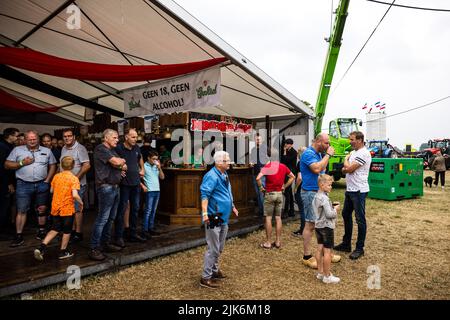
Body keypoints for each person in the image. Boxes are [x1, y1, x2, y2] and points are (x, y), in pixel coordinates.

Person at [5, 130, 57, 247]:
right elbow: (7, 164)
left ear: (38, 139)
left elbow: (53, 165)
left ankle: (41, 231)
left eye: (34, 139)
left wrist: (48, 180)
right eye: (30, 139)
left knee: (42, 209)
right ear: (26, 140)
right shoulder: (17, 150)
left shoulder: (47, 151)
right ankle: (19, 235)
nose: (32, 141)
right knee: (22, 210)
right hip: (23, 184)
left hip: (42, 184)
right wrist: (22, 163)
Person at [199, 151, 239, 289]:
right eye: (227, 160)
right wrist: (205, 213)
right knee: (213, 248)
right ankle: (205, 277)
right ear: (219, 163)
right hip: (213, 216)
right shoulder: (211, 176)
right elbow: (204, 195)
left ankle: (214, 270)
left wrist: (232, 206)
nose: (229, 162)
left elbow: (228, 192)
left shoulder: (224, 174)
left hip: (224, 216)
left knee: (219, 247)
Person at [300, 133, 340, 268]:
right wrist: (328, 155)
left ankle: (325, 251)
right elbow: (317, 168)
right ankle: (307, 256)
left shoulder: (319, 154)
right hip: (310, 194)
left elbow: (322, 171)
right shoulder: (308, 154)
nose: (328, 145)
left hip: (320, 194)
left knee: (323, 224)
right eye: (326, 143)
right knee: (310, 225)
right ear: (318, 141)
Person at [33, 156, 83, 261]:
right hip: (67, 209)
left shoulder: (56, 176)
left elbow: (51, 190)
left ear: (61, 165)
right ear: (73, 166)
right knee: (67, 230)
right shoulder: (74, 178)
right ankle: (63, 252)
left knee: (55, 228)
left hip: (56, 208)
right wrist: (81, 202)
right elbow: (74, 195)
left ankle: (41, 247)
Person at [89, 129, 126, 261]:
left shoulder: (112, 151)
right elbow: (118, 163)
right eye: (115, 138)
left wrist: (119, 163)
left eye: (117, 138)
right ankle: (94, 248)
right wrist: (118, 163)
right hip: (106, 187)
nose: (117, 140)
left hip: (115, 187)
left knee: (111, 218)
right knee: (102, 219)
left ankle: (105, 243)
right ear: (106, 138)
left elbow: (123, 164)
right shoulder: (101, 149)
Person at [334, 131, 372, 260]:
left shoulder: (364, 153)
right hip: (350, 189)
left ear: (360, 140)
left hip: (359, 190)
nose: (350, 141)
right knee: (345, 214)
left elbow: (349, 169)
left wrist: (345, 161)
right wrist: (346, 168)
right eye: (350, 139)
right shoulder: (354, 153)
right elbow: (345, 170)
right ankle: (346, 244)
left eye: (352, 139)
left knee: (360, 219)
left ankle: (359, 248)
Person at [256, 149, 295, 249]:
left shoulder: (267, 167)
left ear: (269, 156)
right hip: (279, 194)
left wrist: (261, 188)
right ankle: (277, 241)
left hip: (269, 194)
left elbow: (257, 178)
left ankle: (268, 242)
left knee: (268, 218)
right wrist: (284, 186)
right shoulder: (283, 166)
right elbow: (292, 177)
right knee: (278, 218)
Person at [115, 128, 146, 245]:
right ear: (126, 137)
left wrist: (142, 168)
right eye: (133, 137)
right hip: (124, 184)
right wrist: (119, 169)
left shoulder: (137, 148)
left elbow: (140, 158)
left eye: (136, 137)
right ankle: (119, 236)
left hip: (136, 183)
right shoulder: (118, 148)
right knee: (121, 210)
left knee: (135, 209)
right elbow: (112, 161)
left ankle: (132, 234)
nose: (135, 139)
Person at [60, 128, 91, 242]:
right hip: (66, 185)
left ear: (74, 137)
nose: (67, 138)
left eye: (69, 136)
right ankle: (71, 231)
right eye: (65, 136)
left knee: (77, 210)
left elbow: (87, 165)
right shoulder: (64, 148)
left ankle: (78, 233)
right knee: (70, 209)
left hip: (78, 185)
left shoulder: (80, 148)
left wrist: (75, 179)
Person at [314, 174, 340, 284]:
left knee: (320, 249)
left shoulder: (316, 196)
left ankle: (320, 272)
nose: (331, 187)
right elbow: (330, 214)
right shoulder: (324, 198)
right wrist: (335, 209)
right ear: (321, 185)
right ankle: (327, 275)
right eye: (329, 185)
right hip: (326, 227)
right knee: (327, 251)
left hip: (318, 226)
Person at [0, 128, 19, 238]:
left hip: (7, 181)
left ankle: (5, 228)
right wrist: (8, 183)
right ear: (10, 136)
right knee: (3, 207)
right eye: (16, 136)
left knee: (6, 207)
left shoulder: (10, 147)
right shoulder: (2, 147)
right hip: (3, 183)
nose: (17, 138)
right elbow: (2, 168)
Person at [141, 151, 165, 238]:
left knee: (153, 210)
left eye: (156, 159)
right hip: (149, 191)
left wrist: (159, 168)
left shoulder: (156, 166)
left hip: (157, 190)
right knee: (148, 210)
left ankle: (151, 228)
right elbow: (139, 177)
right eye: (153, 159)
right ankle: (145, 230)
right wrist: (143, 186)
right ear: (148, 158)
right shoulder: (144, 166)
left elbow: (162, 177)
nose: (155, 160)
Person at [249, 134, 269, 216]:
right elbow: (253, 160)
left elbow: (269, 160)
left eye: (259, 139)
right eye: (256, 139)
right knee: (257, 193)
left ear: (261, 140)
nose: (258, 141)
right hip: (255, 172)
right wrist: (251, 163)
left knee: (262, 193)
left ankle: (264, 212)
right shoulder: (253, 149)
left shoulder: (265, 148)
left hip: (262, 173)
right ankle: (261, 211)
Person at [280, 138, 297, 217]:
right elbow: (282, 162)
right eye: (285, 143)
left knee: (287, 192)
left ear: (291, 144)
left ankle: (286, 211)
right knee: (288, 192)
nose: (285, 145)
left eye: (287, 144)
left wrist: (284, 152)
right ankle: (291, 211)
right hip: (285, 172)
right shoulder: (285, 151)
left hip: (290, 174)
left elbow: (286, 160)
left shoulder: (294, 152)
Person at [293, 146, 307, 237]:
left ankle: (302, 231)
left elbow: (299, 178)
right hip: (308, 188)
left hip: (301, 189)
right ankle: (307, 229)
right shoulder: (309, 162)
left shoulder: (300, 163)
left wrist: (295, 188)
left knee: (302, 211)